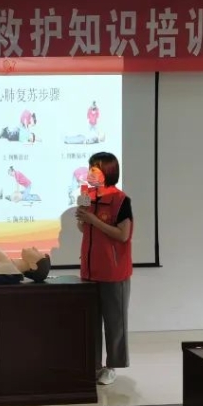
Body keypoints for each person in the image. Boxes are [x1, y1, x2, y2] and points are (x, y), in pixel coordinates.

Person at [75, 152, 133, 386]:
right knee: (91, 322)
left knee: (115, 322)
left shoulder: (121, 200)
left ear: (107, 172)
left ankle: (112, 366)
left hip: (113, 271)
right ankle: (94, 365)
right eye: (89, 167)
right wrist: (82, 219)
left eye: (95, 169)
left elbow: (123, 235)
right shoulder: (87, 196)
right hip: (90, 270)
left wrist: (94, 221)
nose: (90, 172)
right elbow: (85, 229)